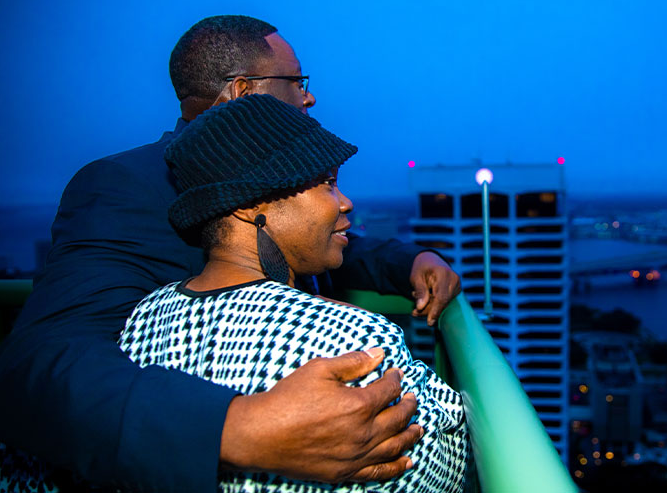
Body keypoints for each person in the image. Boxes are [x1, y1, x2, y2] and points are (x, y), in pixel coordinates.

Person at [0, 15, 460, 492]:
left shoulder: (261, 188)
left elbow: (302, 239)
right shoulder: (125, 186)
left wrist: (409, 260)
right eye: (296, 82)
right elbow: (38, 360)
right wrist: (235, 428)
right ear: (243, 92)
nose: (309, 96)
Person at [122, 93, 470, 492]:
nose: (345, 202)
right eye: (326, 183)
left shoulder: (143, 318)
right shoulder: (347, 339)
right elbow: (443, 471)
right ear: (250, 205)